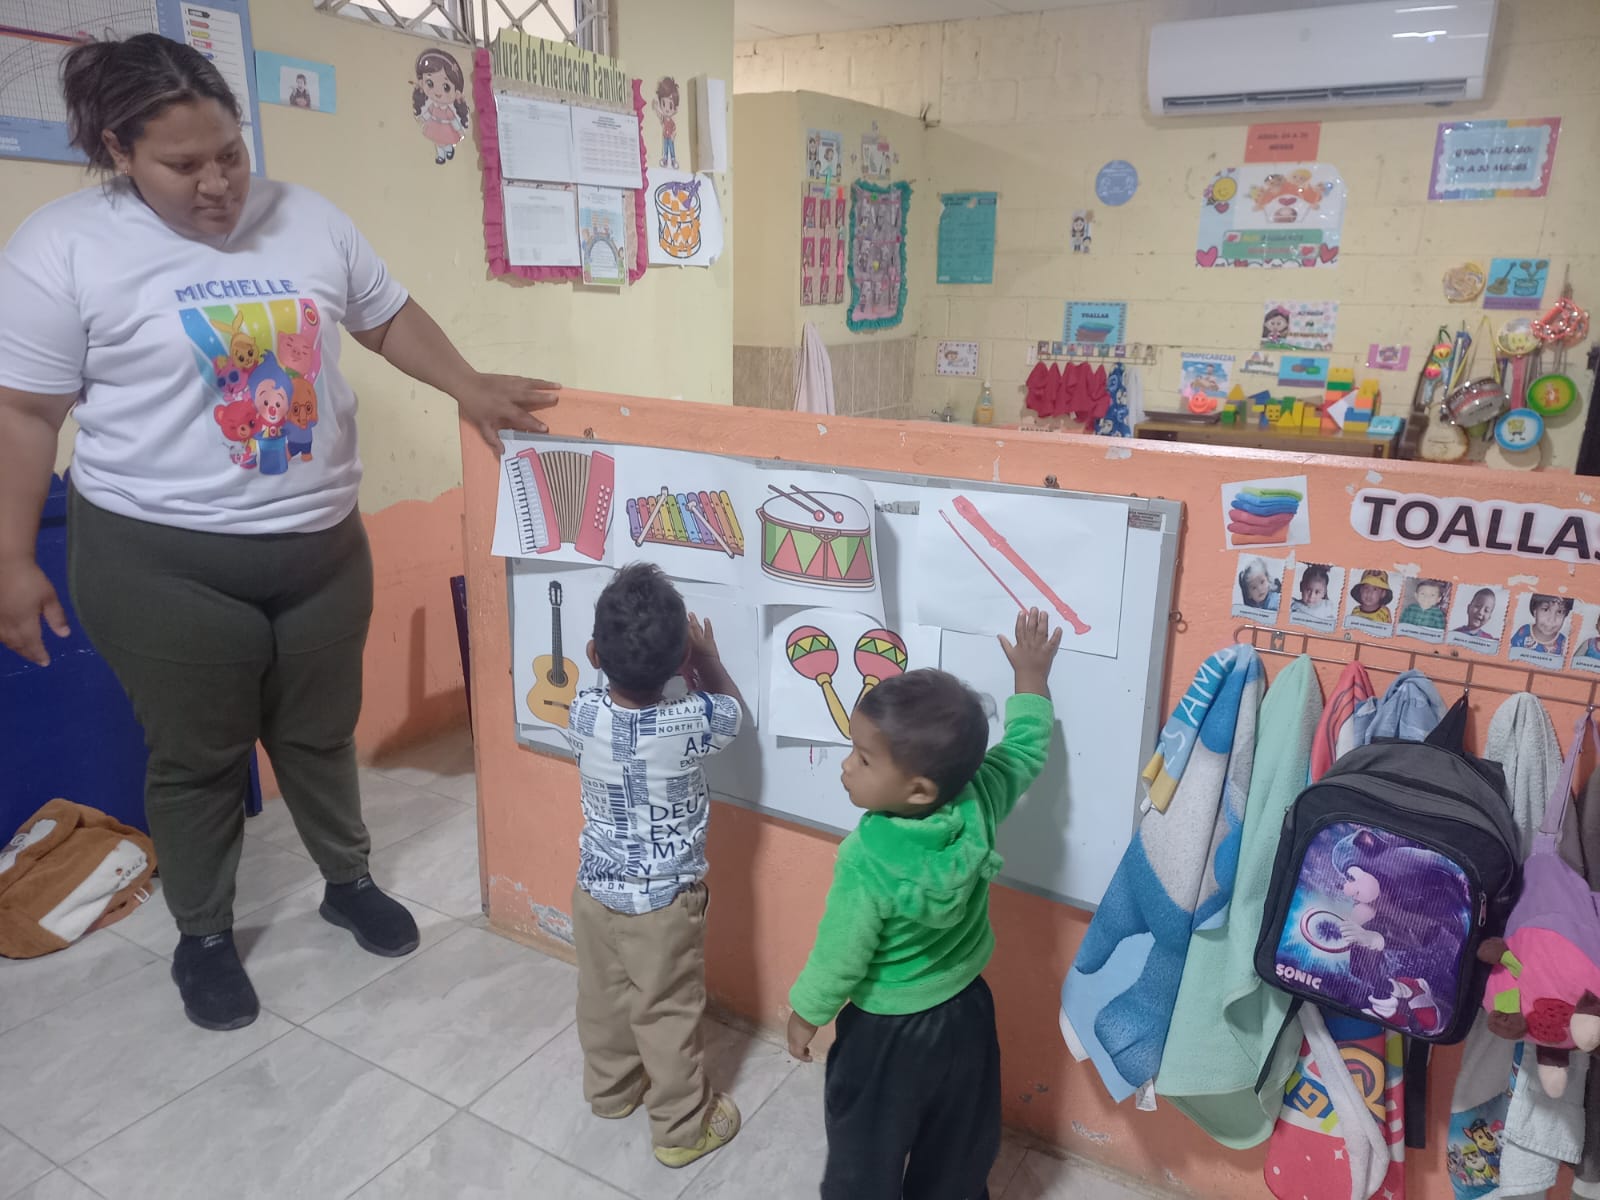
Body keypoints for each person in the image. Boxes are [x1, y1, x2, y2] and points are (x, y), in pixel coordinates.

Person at [0, 34, 559, 1032]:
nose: (217, 184)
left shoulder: (306, 218)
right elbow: (26, 415)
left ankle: (349, 882)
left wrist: (467, 385)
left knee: (317, 734)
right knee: (200, 756)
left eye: (230, 153)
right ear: (120, 151)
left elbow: (384, 316)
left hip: (320, 549)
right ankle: (205, 936)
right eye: (183, 164)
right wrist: (8, 557)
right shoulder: (64, 246)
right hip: (159, 558)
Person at [786, 609, 1060, 1200]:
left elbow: (840, 955)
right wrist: (1032, 680)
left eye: (863, 758)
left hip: (885, 1034)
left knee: (866, 1153)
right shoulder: (980, 796)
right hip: (966, 1015)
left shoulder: (868, 855)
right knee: (957, 1146)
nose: (846, 764)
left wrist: (806, 1013)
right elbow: (1025, 749)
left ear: (918, 791)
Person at [564, 564, 745, 1170]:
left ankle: (612, 1091)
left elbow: (611, 702)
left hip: (594, 893)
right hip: (663, 906)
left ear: (594, 655)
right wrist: (708, 661)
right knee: (666, 1012)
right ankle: (681, 1129)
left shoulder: (581, 713)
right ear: (679, 663)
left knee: (603, 996)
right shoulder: (691, 720)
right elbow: (732, 712)